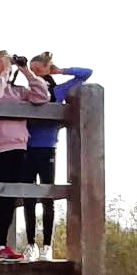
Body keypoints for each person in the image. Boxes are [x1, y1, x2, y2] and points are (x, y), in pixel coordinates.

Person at [0, 52, 51, 262]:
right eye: (2, 61)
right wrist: (4, 73)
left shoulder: (17, 90)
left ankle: (1, 244)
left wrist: (25, 70)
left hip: (19, 147)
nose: (7, 65)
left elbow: (42, 96)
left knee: (9, 198)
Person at [24, 53, 93, 261]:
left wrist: (59, 71)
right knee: (28, 196)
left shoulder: (58, 90)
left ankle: (47, 246)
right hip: (28, 148)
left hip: (48, 148)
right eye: (32, 71)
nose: (35, 74)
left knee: (48, 197)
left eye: (39, 70)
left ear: (46, 69)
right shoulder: (28, 93)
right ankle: (30, 245)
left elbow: (86, 74)